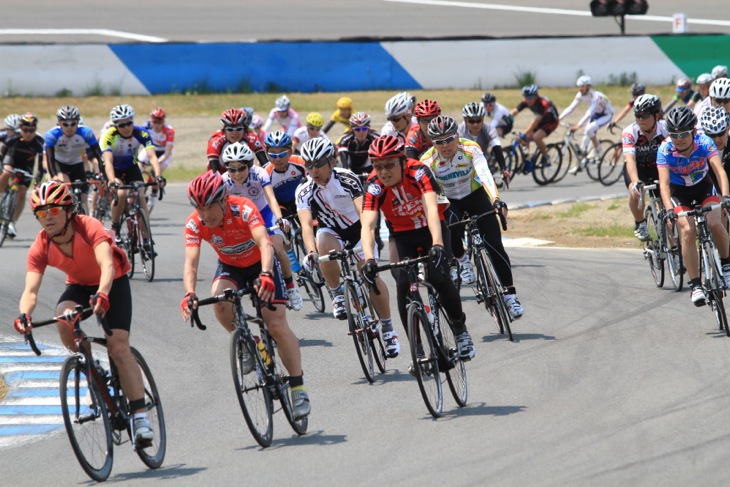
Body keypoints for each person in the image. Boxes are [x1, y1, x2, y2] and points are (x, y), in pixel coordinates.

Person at [14, 181, 154, 444]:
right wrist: (25, 316)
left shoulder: (88, 226)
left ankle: (140, 416)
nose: (48, 219)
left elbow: (107, 263)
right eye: (42, 214)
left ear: (68, 211)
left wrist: (102, 293)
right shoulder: (41, 245)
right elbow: (30, 290)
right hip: (78, 285)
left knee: (119, 347)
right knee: (63, 319)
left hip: (112, 282)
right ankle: (92, 367)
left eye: (54, 211)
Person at [181, 171, 311, 419]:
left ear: (224, 200)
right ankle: (249, 344)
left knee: (275, 323)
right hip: (231, 267)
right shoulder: (195, 223)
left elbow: (265, 243)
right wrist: (189, 293)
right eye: (199, 208)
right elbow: (191, 263)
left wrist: (265, 273)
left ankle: (298, 387)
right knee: (219, 302)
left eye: (210, 207)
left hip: (261, 263)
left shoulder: (243, 208)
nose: (205, 215)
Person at [360, 135, 476, 363]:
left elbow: (432, 210)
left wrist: (438, 245)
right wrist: (369, 259)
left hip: (430, 228)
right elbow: (368, 224)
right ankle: (419, 352)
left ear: (403, 161)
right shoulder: (373, 185)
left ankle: (460, 331)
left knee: (439, 277)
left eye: (389, 164)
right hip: (401, 236)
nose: (383, 171)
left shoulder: (419, 172)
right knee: (403, 284)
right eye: (377, 165)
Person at [294, 138, 399, 356]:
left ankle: (388, 327)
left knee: (369, 275)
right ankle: (337, 295)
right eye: (309, 165)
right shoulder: (304, 191)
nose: (313, 170)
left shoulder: (347, 178)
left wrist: (367, 248)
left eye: (319, 164)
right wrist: (311, 252)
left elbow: (364, 214)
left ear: (332, 161)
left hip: (357, 228)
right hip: (331, 231)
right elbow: (306, 226)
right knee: (324, 246)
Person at [421, 116, 524, 320]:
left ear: (457, 136)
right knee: (449, 225)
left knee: (494, 244)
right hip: (449, 200)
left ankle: (510, 296)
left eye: (449, 139)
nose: (445, 145)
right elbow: (428, 195)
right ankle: (462, 260)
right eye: (438, 141)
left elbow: (485, 173)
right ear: (433, 143)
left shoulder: (471, 148)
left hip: (475, 196)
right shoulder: (427, 161)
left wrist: (496, 199)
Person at [657, 106, 730, 306]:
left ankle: (726, 265)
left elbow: (720, 171)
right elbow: (663, 184)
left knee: (715, 223)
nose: (678, 138)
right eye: (674, 134)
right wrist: (669, 210)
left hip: (703, 187)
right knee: (688, 230)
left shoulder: (704, 142)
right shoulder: (664, 149)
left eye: (683, 134)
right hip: (679, 193)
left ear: (694, 132)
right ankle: (696, 284)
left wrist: (725, 197)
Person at [221, 142, 303, 311]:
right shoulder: (224, 182)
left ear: (249, 165)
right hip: (244, 220)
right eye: (232, 169)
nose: (236, 174)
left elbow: (271, 198)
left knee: (278, 250)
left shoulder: (259, 174)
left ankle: (291, 287)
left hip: (265, 213)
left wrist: (279, 219)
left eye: (241, 168)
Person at [101, 104, 165, 253]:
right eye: (121, 124)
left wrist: (159, 176)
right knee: (121, 193)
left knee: (140, 194)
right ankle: (115, 227)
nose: (126, 127)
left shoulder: (141, 133)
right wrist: (111, 181)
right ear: (116, 125)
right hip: (113, 170)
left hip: (131, 168)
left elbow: (152, 157)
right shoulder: (109, 135)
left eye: (129, 122)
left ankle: (146, 237)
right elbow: (108, 162)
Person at [621, 94, 669, 241]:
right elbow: (630, 160)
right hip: (638, 168)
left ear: (656, 115)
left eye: (645, 115)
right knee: (636, 192)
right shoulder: (630, 132)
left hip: (659, 167)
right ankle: (640, 223)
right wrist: (635, 182)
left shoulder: (666, 129)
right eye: (637, 115)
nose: (640, 119)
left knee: (668, 198)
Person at [44, 106, 103, 214]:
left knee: (84, 198)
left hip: (77, 164)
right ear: (59, 123)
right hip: (60, 164)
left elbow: (98, 155)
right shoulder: (52, 135)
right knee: (65, 188)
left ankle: (83, 221)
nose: (69, 127)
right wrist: (54, 176)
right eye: (65, 124)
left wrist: (102, 173)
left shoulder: (86, 133)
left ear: (78, 123)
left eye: (73, 124)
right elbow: (50, 159)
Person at [0, 112, 44, 239]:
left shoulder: (39, 142)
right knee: (7, 172)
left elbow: (41, 165)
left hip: (27, 166)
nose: (28, 133)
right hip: (11, 160)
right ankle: (1, 194)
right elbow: (2, 153)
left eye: (32, 130)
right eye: (25, 130)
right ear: (21, 129)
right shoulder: (13, 138)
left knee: (23, 190)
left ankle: (12, 222)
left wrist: (38, 179)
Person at [559, 75, 614, 174]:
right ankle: (580, 164)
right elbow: (570, 108)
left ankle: (598, 149)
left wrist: (578, 126)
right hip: (596, 114)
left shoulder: (596, 96)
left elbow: (589, 113)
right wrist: (558, 118)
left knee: (589, 129)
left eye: (582, 86)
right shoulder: (580, 95)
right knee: (584, 142)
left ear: (588, 86)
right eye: (579, 86)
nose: (580, 89)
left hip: (606, 114)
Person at [510, 85, 560, 170]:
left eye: (530, 98)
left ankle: (545, 157)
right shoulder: (526, 101)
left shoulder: (543, 104)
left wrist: (525, 134)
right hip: (541, 121)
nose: (527, 100)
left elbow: (535, 121)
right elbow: (515, 111)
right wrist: (506, 119)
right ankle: (525, 159)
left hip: (551, 122)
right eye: (526, 97)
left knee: (536, 137)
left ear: (536, 96)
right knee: (526, 136)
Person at [458, 102, 509, 184]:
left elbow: (497, 148)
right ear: (465, 120)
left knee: (490, 190)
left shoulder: (489, 129)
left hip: (482, 164)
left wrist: (503, 169)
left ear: (483, 119)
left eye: (478, 121)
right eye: (471, 121)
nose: (475, 125)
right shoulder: (459, 131)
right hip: (463, 165)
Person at [139, 108, 175, 211]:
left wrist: (157, 163)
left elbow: (168, 152)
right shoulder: (145, 126)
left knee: (156, 172)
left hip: (163, 152)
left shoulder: (169, 130)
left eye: (160, 122)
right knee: (138, 165)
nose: (157, 125)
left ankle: (153, 194)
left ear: (164, 121)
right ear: (151, 120)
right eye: (155, 121)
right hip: (150, 150)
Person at [700, 106, 730, 189]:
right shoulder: (700, 150)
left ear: (728, 128)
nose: (717, 139)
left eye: (721, 133)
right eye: (711, 135)